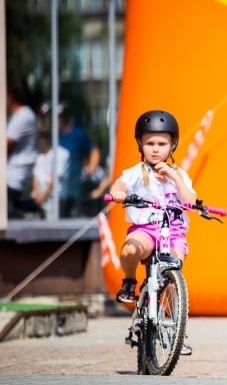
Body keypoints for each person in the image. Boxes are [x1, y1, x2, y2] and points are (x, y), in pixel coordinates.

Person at [108, 110, 196, 355]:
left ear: (172, 145)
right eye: (150, 143)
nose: (155, 149)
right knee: (130, 249)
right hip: (146, 230)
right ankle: (129, 281)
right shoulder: (137, 172)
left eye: (162, 144)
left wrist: (174, 178)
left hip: (174, 233)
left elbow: (190, 200)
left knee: (173, 272)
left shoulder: (179, 174)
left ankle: (177, 329)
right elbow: (121, 183)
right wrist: (118, 192)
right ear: (140, 144)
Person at [57, 105, 101, 217]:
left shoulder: (78, 134)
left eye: (60, 117)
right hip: (56, 186)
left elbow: (93, 150)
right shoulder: (54, 136)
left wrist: (91, 167)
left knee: (71, 212)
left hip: (74, 184)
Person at [6, 82, 38, 218]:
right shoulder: (14, 117)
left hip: (14, 179)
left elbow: (5, 147)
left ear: (9, 97)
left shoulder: (24, 116)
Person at [31, 133, 70, 219]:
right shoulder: (38, 156)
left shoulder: (62, 153)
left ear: (46, 140)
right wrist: (37, 193)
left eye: (41, 140)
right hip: (40, 199)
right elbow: (35, 176)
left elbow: (57, 177)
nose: (39, 143)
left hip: (56, 197)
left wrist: (44, 194)